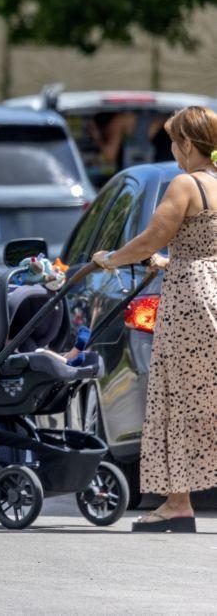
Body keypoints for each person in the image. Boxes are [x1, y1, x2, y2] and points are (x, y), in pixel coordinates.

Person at [92, 105, 217, 534]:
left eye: (173, 141)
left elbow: (152, 236)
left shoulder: (186, 184)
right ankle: (178, 500)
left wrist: (111, 258)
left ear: (186, 143)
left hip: (190, 305)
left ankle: (177, 503)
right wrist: (171, 262)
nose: (172, 149)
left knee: (176, 400)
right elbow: (202, 250)